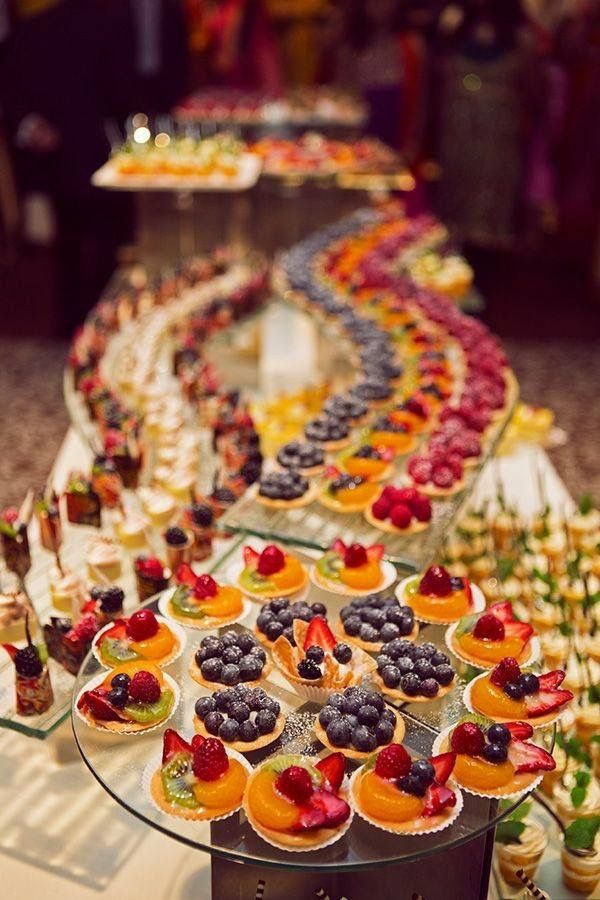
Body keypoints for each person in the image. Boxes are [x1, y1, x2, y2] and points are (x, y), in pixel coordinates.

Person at [433, 0, 536, 247]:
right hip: (459, 126)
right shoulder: (454, 21)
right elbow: (440, 71)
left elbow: (532, 86)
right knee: (456, 193)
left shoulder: (520, 33)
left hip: (497, 133)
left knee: (488, 198)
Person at [334, 0, 428, 160]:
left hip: (398, 152)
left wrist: (411, 149)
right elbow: (341, 107)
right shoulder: (349, 50)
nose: (382, 4)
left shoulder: (412, 47)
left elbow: (420, 107)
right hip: (357, 154)